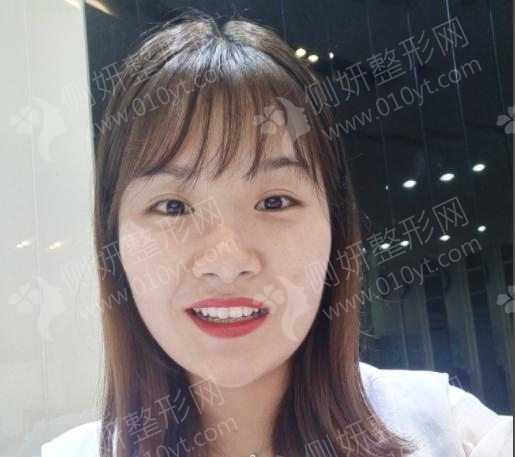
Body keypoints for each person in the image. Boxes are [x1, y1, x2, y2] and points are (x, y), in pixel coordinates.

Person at [41, 10, 513, 457]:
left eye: (274, 202)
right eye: (173, 207)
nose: (228, 260)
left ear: (335, 228)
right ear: (115, 243)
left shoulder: (449, 434)